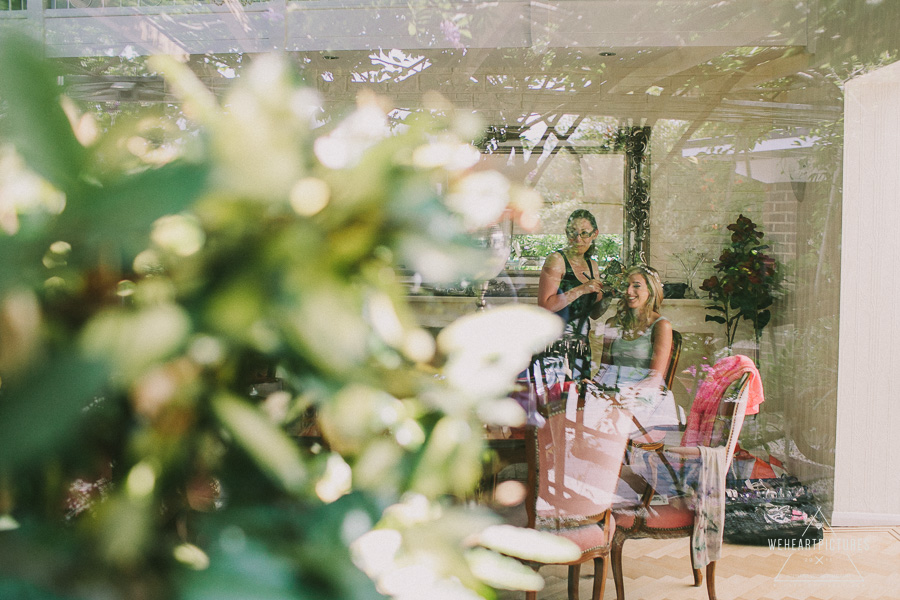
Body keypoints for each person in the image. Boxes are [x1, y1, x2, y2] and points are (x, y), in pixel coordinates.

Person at [596, 264, 677, 442]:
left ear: (651, 290)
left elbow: (654, 378)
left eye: (636, 285)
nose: (629, 291)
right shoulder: (612, 323)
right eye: (626, 285)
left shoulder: (661, 326)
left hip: (642, 397)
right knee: (573, 411)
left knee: (602, 422)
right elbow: (604, 369)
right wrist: (593, 387)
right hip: (613, 395)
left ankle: (604, 465)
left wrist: (622, 397)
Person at [535, 209, 607, 382]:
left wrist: (607, 296)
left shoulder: (593, 266)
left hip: (581, 347)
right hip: (555, 345)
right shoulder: (556, 260)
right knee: (557, 403)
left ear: (594, 234)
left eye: (584, 234)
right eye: (572, 234)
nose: (578, 239)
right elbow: (545, 306)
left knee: (579, 401)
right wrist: (581, 289)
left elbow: (594, 313)